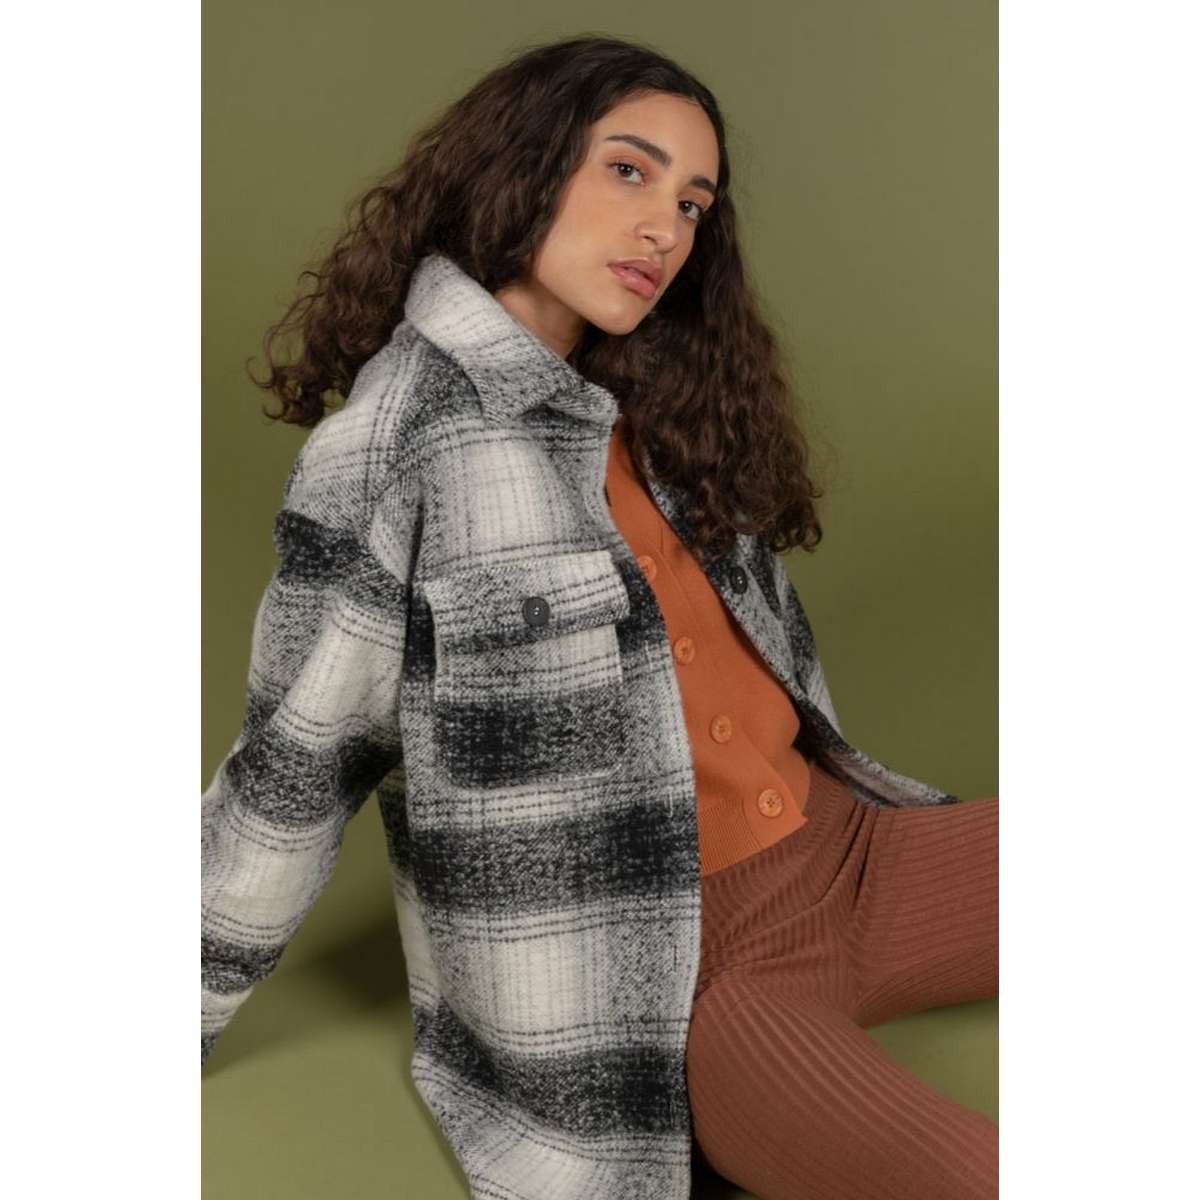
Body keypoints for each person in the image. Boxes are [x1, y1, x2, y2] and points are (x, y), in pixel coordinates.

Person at [202, 33, 998, 1200]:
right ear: (520, 165)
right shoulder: (399, 443)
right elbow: (292, 768)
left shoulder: (661, 400)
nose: (664, 229)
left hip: (853, 858)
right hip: (692, 981)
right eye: (629, 170)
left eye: (692, 203)